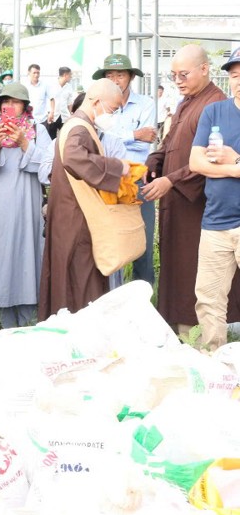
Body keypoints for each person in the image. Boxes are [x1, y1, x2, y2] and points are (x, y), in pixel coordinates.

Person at [143, 44, 240, 334]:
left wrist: (172, 179)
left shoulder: (214, 102)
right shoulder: (194, 104)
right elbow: (183, 149)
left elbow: (201, 165)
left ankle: (190, 329)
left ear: (204, 69)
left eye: (184, 74)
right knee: (193, 281)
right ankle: (197, 344)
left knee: (192, 269)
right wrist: (156, 159)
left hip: (197, 205)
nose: (178, 81)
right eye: (173, 76)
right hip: (196, 210)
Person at [38, 79, 131, 319]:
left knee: (72, 278)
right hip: (76, 218)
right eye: (112, 109)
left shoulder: (78, 125)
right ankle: (82, 339)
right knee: (81, 280)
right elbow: (73, 157)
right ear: (96, 102)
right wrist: (116, 166)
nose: (114, 115)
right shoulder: (79, 128)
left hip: (72, 215)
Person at [0, 84, 52, 327]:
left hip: (27, 203)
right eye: (5, 102)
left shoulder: (38, 130)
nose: (9, 107)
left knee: (28, 253)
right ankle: (6, 325)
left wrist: (25, 143)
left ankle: (30, 320)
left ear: (25, 106)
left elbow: (48, 166)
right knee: (2, 256)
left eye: (15, 102)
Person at [189, 48, 240, 352]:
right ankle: (213, 366)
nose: (239, 81)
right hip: (216, 221)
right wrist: (236, 168)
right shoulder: (214, 112)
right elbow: (196, 163)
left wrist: (233, 161)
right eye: (234, 75)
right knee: (208, 299)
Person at [93, 53, 158, 285]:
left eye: (120, 75)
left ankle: (144, 305)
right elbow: (99, 139)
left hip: (137, 181)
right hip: (107, 181)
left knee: (143, 244)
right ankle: (110, 302)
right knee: (110, 243)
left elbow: (147, 139)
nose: (115, 80)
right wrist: (133, 134)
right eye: (110, 75)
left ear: (130, 77)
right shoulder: (98, 105)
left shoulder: (146, 104)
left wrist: (127, 137)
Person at [45, 66, 75, 139]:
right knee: (51, 139)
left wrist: (70, 114)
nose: (71, 77)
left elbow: (70, 102)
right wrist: (49, 113)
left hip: (64, 116)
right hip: (53, 116)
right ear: (65, 75)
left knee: (65, 138)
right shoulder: (51, 86)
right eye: (70, 75)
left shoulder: (69, 87)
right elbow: (47, 100)